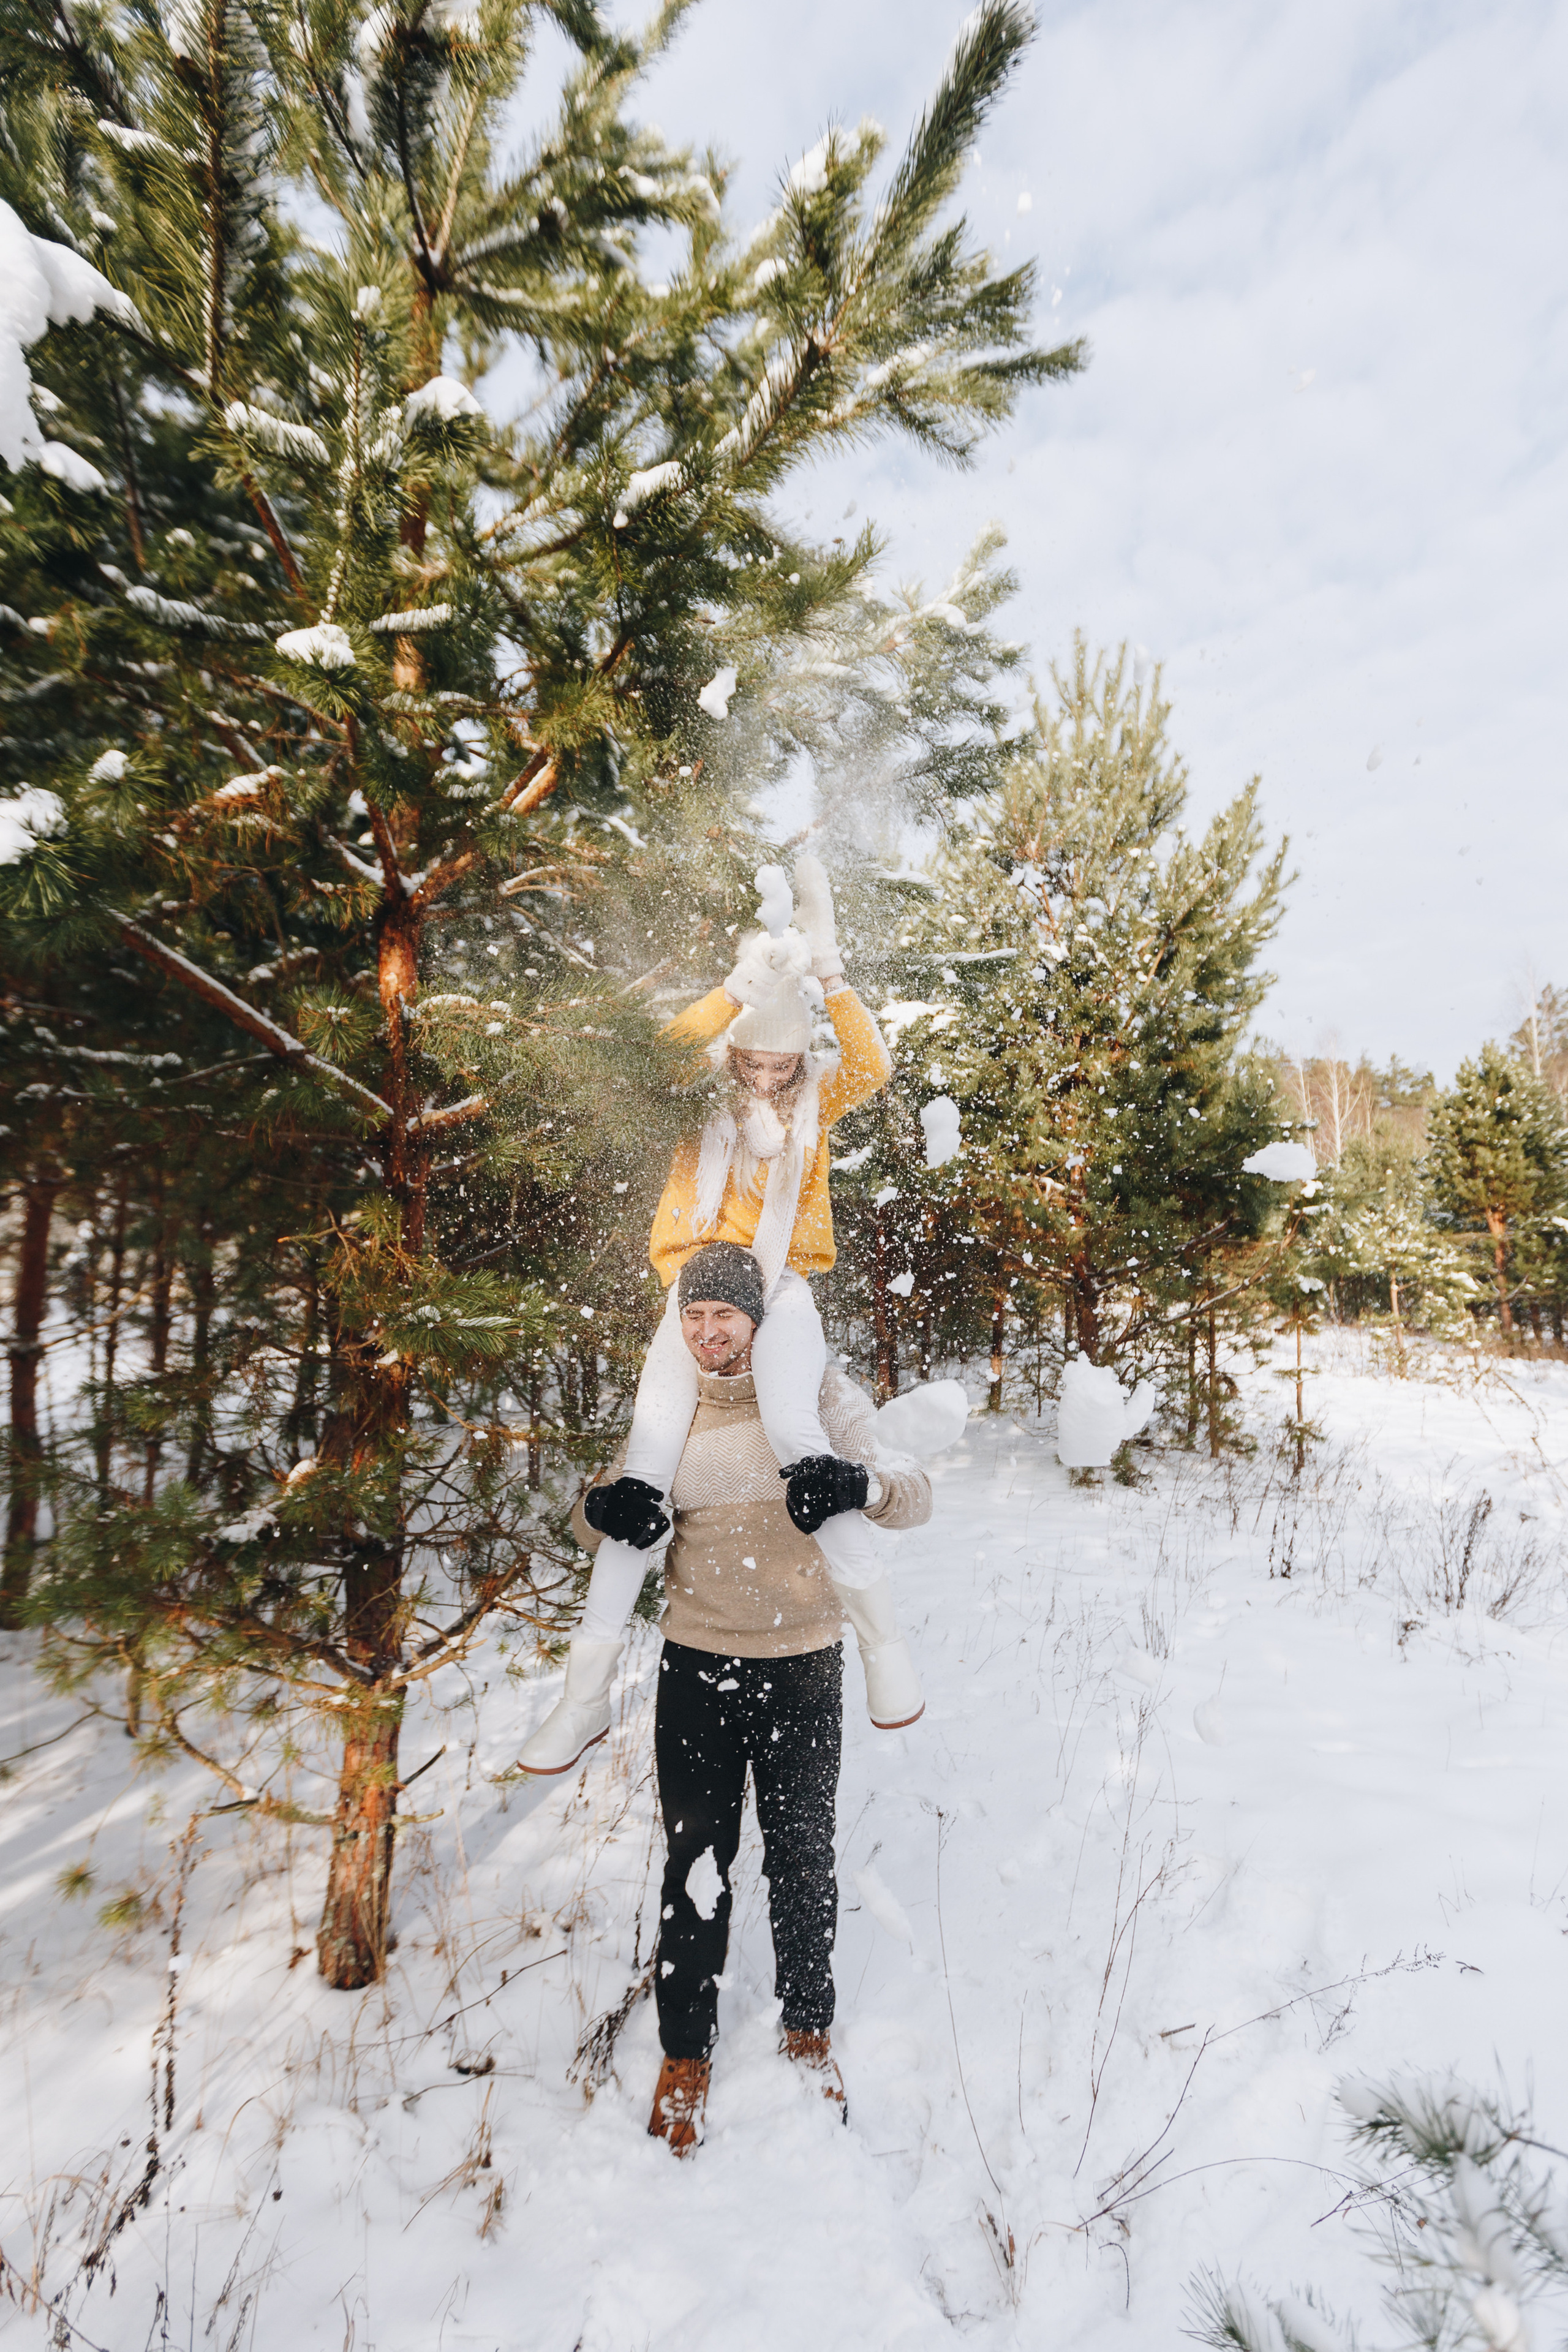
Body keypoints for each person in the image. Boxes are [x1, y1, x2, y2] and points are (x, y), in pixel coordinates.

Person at [516, 856, 924, 1774]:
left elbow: (873, 1060)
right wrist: (734, 987)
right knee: (645, 1474)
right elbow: (649, 1053)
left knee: (796, 1431)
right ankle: (581, 1701)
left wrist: (828, 968)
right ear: (734, 1050)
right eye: (757, 1061)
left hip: (780, 1292)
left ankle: (885, 1650)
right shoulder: (692, 1093)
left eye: (785, 1065)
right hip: (693, 1291)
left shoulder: (820, 1097)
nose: (772, 1080)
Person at [559, 1242, 933, 2154]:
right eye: (694, 1316)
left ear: (760, 1323)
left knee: (803, 1856)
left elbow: (914, 1495)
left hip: (803, 1663)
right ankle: (686, 2053)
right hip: (696, 1666)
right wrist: (602, 1511)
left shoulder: (818, 1396)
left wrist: (862, 1485)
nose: (708, 1332)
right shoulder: (671, 1403)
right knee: (697, 1865)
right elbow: (596, 1509)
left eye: (725, 1315)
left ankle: (810, 2028)